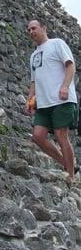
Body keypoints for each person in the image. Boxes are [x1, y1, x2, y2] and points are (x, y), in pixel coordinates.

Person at [25, 19, 78, 182]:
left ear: (43, 28)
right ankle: (68, 164)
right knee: (38, 137)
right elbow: (34, 81)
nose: (31, 32)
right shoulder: (33, 55)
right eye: (28, 30)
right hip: (43, 103)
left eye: (34, 28)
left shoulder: (57, 44)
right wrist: (29, 100)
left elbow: (70, 65)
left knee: (61, 135)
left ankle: (71, 176)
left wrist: (65, 86)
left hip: (61, 100)